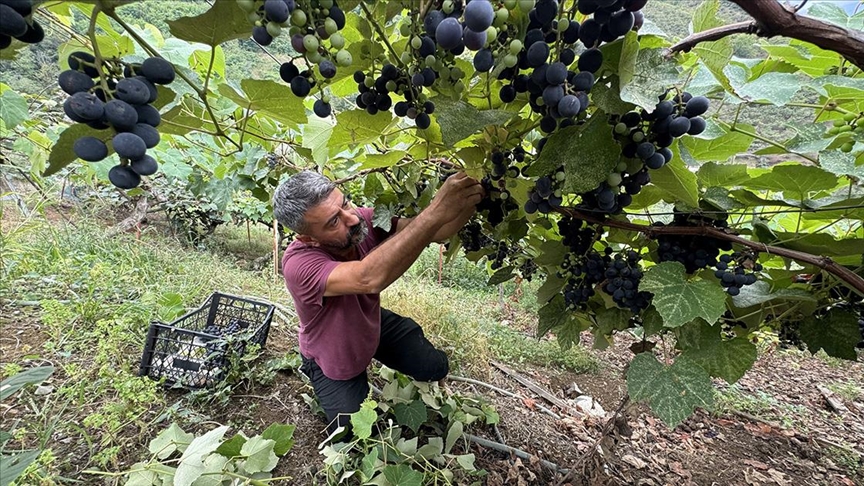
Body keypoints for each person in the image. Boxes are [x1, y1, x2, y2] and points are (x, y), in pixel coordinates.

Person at [272, 170, 484, 436]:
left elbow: (434, 229)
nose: (352, 218)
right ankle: (314, 371)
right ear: (308, 238)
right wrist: (435, 209)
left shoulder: (361, 220)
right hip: (334, 352)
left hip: (371, 323)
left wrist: (472, 197)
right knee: (353, 433)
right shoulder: (298, 264)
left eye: (345, 202)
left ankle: (383, 345)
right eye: (333, 222)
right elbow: (368, 278)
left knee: (435, 366)